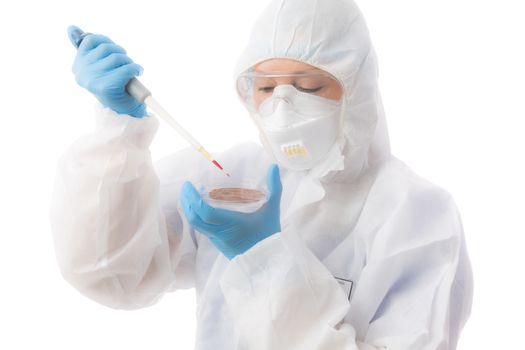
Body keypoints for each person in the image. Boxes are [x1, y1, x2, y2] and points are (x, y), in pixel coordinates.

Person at [50, 0, 473, 349]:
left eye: (308, 87)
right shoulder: (230, 178)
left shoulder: (415, 214)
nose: (283, 107)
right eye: (267, 88)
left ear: (357, 89)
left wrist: (264, 258)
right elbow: (111, 271)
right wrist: (117, 132)